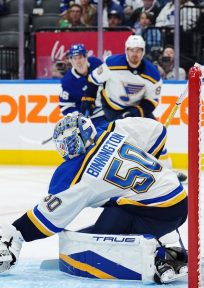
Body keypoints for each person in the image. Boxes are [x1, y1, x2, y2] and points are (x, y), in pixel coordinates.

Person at [0, 113, 188, 284]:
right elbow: (157, 131)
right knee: (120, 206)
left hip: (158, 213)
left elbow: (49, 217)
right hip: (177, 195)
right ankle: (171, 242)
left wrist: (18, 232)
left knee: (103, 241)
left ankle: (161, 257)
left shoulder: (79, 174)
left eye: (66, 144)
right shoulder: (114, 130)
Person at [80, 35, 187, 183]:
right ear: (126, 50)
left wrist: (136, 112)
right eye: (131, 50)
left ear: (143, 52)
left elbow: (151, 101)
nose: (134, 54)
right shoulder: (111, 63)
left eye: (138, 50)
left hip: (138, 109)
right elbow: (93, 79)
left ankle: (168, 172)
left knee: (156, 136)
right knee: (115, 140)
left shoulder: (152, 73)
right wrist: (88, 98)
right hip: (112, 108)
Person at [59, 43, 106, 128]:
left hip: (108, 111)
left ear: (86, 57)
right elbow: (65, 106)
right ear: (71, 60)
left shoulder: (96, 64)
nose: (78, 62)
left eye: (80, 57)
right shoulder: (67, 81)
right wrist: (78, 117)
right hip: (90, 120)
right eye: (74, 58)